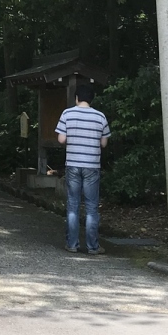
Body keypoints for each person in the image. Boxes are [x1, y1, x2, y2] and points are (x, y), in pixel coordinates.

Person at [54, 83, 110, 255]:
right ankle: (93, 246)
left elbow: (61, 139)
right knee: (92, 206)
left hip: (73, 163)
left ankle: (72, 244)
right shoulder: (100, 116)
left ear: (77, 98)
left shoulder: (67, 113)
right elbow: (104, 143)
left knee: (73, 204)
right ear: (91, 99)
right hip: (92, 165)